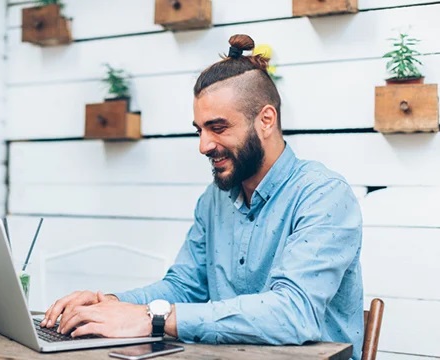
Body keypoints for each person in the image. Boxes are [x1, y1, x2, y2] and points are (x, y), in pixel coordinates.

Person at [41, 34, 364, 360]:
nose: (204, 145)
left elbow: (294, 313)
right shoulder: (214, 200)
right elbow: (185, 287)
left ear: (266, 120)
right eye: (200, 130)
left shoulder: (324, 195)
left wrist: (151, 317)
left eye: (218, 128)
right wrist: (110, 303)